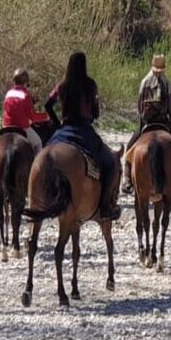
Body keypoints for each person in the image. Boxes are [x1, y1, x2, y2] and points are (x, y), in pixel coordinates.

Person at [44, 52, 121, 221]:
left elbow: (48, 104)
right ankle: (106, 205)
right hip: (84, 130)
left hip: (63, 130)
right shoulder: (90, 85)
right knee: (110, 162)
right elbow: (95, 113)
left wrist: (57, 123)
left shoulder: (62, 86)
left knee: (43, 157)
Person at [122, 55, 171, 194]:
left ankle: (127, 180)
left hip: (146, 123)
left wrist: (142, 118)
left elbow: (139, 104)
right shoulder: (167, 83)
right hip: (163, 123)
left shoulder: (144, 81)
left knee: (129, 150)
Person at [0, 68, 49, 154]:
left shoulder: (8, 93)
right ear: (26, 82)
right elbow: (32, 117)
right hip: (22, 127)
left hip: (6, 127)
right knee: (38, 143)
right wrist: (46, 116)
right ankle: (37, 166)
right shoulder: (26, 95)